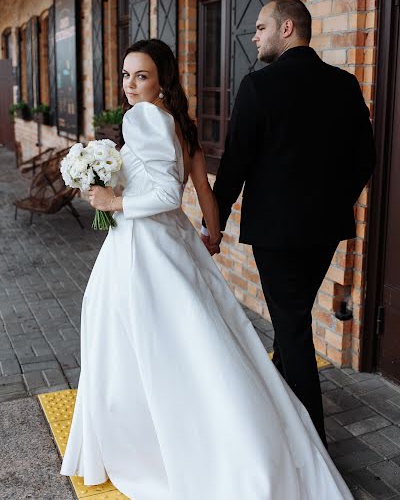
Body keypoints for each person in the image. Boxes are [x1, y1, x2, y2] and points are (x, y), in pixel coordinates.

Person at [61, 38, 354, 499]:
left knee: (145, 343)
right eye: (125, 75)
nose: (130, 86)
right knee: (199, 341)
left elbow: (162, 197)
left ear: (162, 80)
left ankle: (155, 445)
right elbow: (202, 188)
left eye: (142, 76)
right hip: (174, 243)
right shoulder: (181, 124)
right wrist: (212, 237)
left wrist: (111, 199)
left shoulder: (142, 118)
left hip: (145, 249)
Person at [201, 0, 375, 447]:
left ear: (287, 28)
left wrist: (213, 223)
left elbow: (235, 164)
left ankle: (311, 443)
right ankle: (280, 410)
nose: (254, 36)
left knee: (292, 327)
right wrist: (333, 202)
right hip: (326, 231)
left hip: (277, 235)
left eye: (261, 27)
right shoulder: (345, 84)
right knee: (290, 320)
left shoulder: (258, 87)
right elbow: (366, 160)